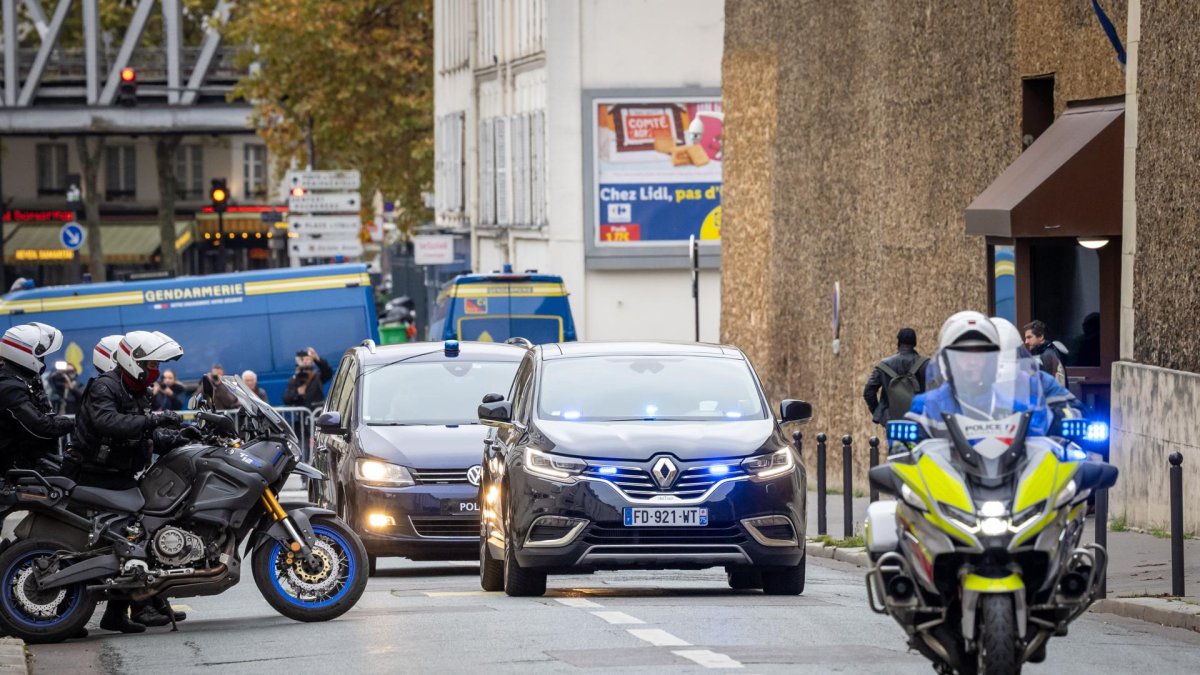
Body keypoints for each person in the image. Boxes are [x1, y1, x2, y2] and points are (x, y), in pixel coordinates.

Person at [70, 330, 193, 633]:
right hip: (93, 474)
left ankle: (123, 611)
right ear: (132, 360)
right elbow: (108, 422)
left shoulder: (138, 391)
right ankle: (138, 606)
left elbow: (143, 434)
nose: (156, 371)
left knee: (135, 533)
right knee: (133, 534)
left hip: (117, 474)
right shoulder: (105, 387)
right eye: (151, 364)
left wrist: (181, 438)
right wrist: (155, 420)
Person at [0, 323, 75, 475]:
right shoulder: (9, 387)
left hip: (28, 464)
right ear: (25, 352)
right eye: (40, 355)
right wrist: (76, 422)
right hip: (14, 471)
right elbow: (41, 425)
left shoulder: (21, 379)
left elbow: (46, 415)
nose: (42, 359)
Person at [863, 328, 928, 426]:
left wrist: (881, 414)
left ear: (898, 343)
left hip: (892, 419)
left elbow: (868, 392)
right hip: (919, 418)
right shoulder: (926, 364)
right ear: (915, 343)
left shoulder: (883, 365)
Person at [1023, 320, 1068, 388]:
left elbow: (1046, 386)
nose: (1026, 342)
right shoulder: (1049, 352)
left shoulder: (1047, 355)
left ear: (1041, 336)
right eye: (1026, 338)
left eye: (1029, 337)